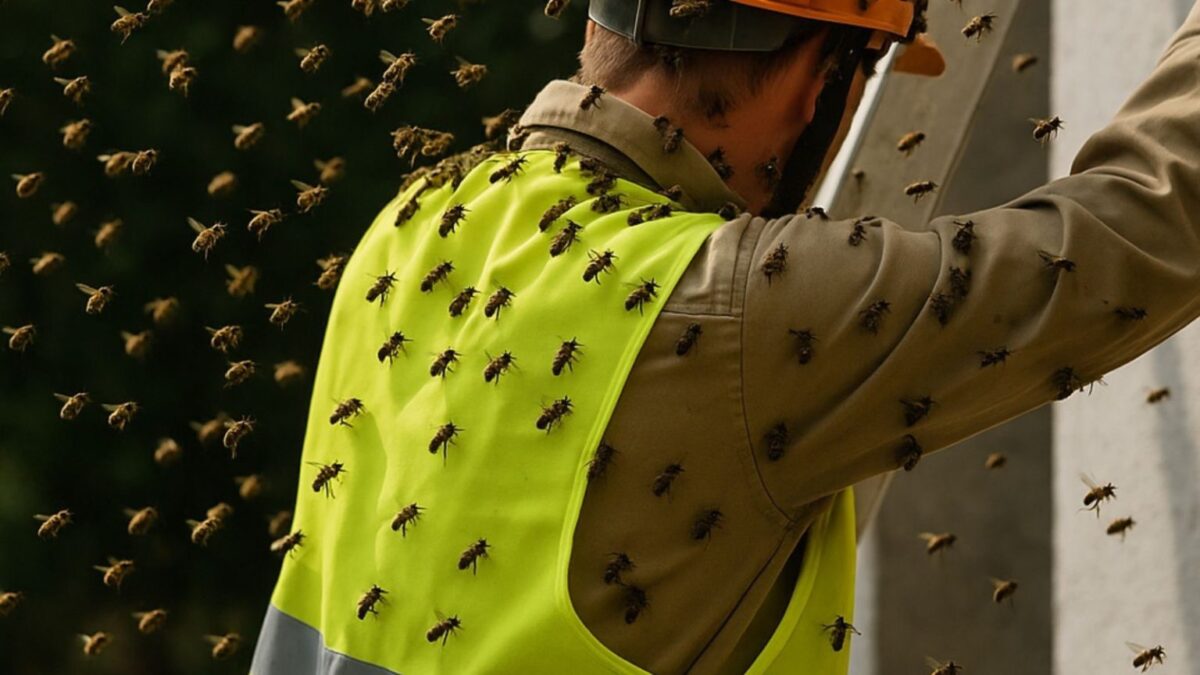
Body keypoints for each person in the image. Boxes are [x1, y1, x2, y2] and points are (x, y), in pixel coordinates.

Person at [251, 1, 1200, 673]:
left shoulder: (416, 226)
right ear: (813, 77)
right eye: (862, 65)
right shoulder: (739, 309)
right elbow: (1139, 237)